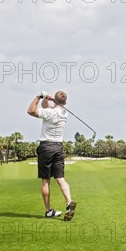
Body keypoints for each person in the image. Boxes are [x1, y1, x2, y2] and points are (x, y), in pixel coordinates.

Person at [27, 91, 76, 221]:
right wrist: (47, 100)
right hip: (59, 147)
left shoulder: (50, 113)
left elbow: (31, 111)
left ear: (55, 100)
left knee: (45, 180)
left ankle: (48, 211)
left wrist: (38, 96)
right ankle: (68, 202)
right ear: (65, 102)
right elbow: (46, 108)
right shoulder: (64, 114)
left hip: (46, 147)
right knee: (60, 178)